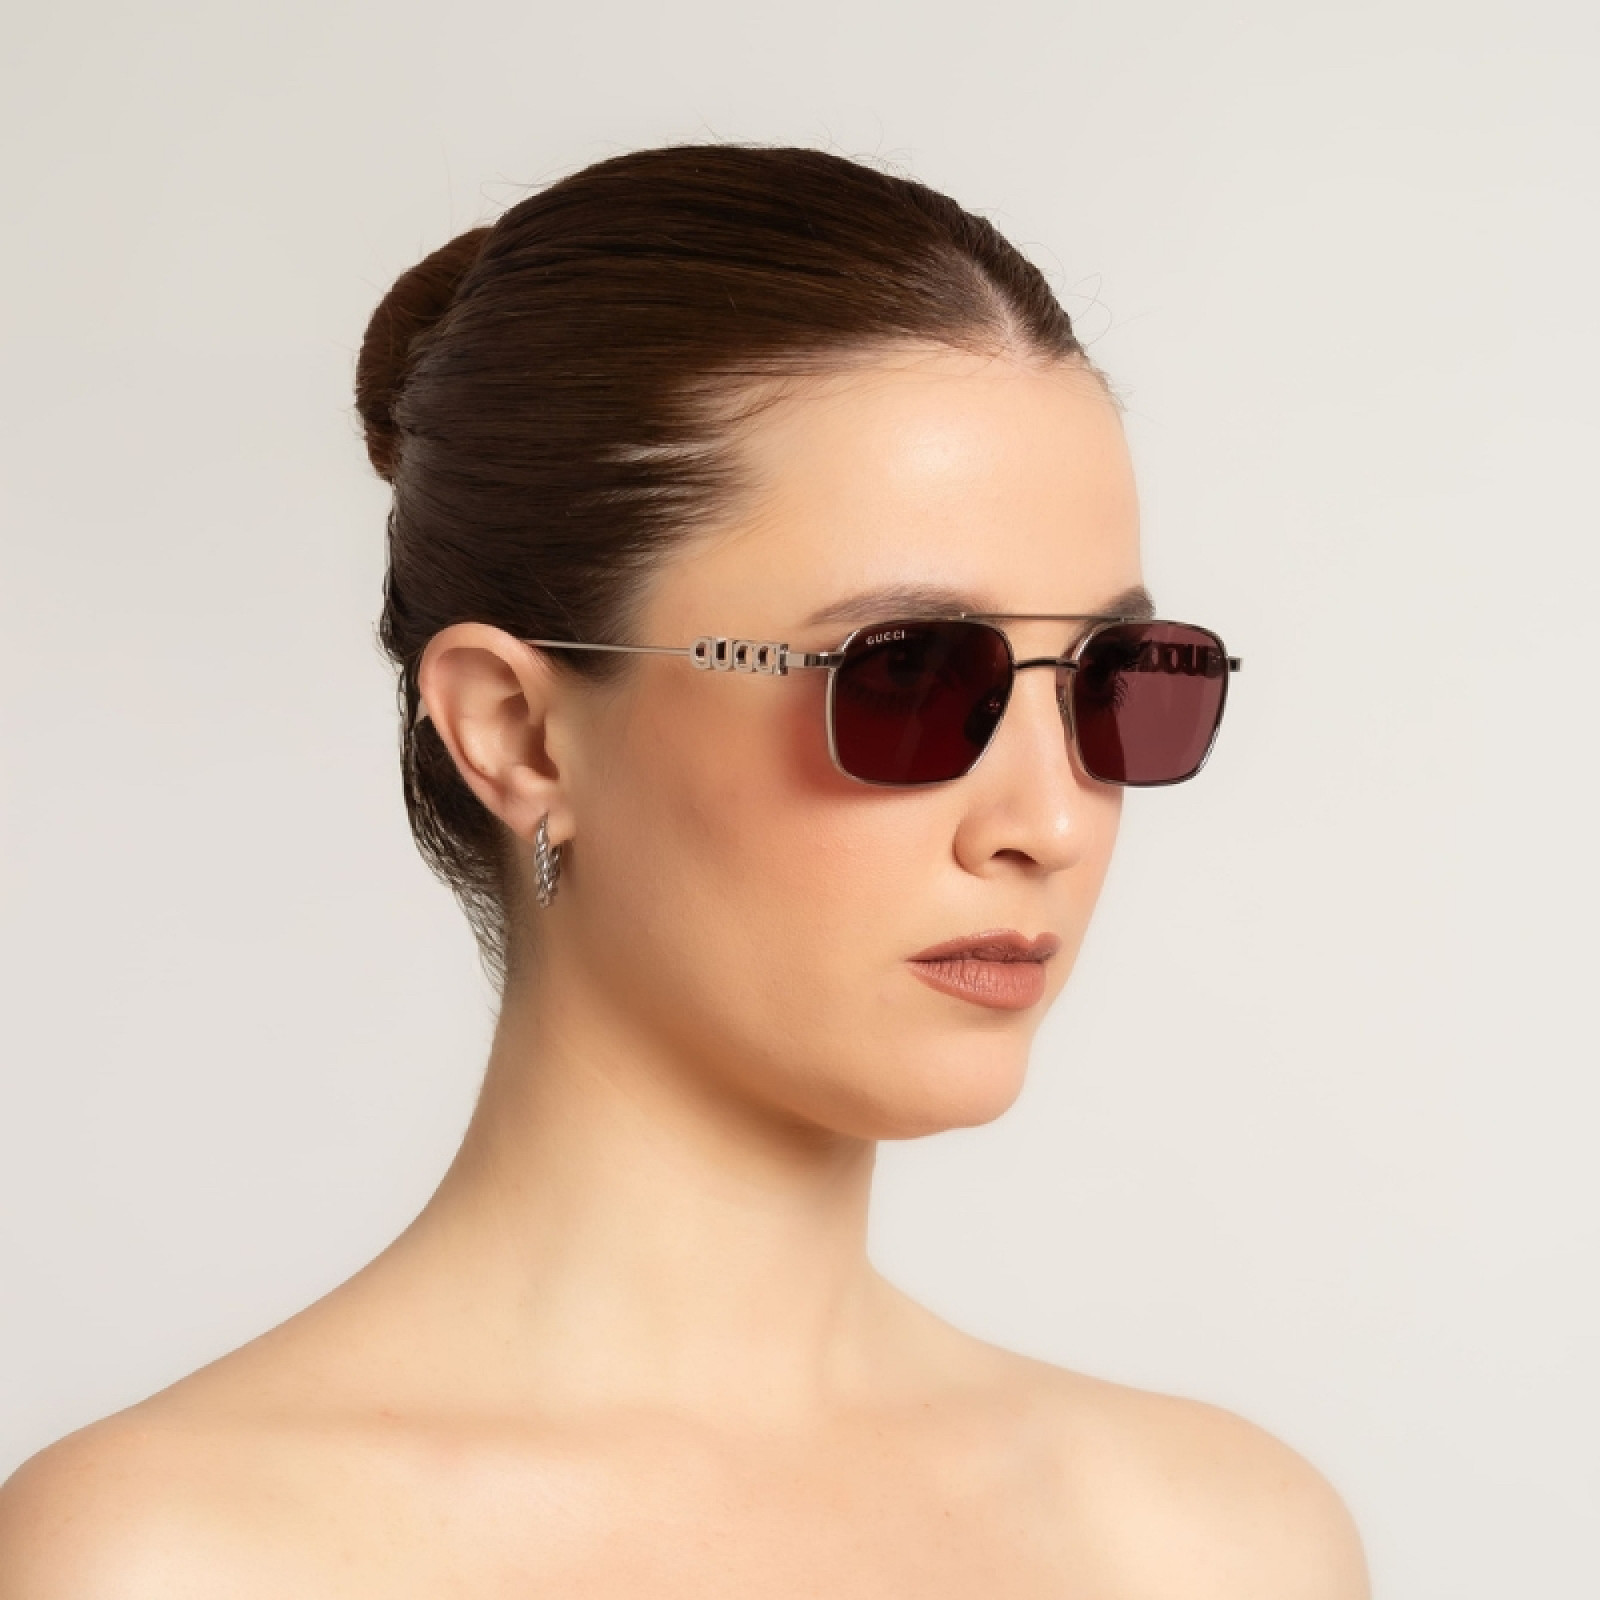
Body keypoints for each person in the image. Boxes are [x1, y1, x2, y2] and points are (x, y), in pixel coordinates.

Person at [0, 143, 1368, 1597]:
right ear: (519, 731)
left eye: (1111, 680)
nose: (1053, 819)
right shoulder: (169, 1560)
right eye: (906, 676)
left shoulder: (1218, 1545)